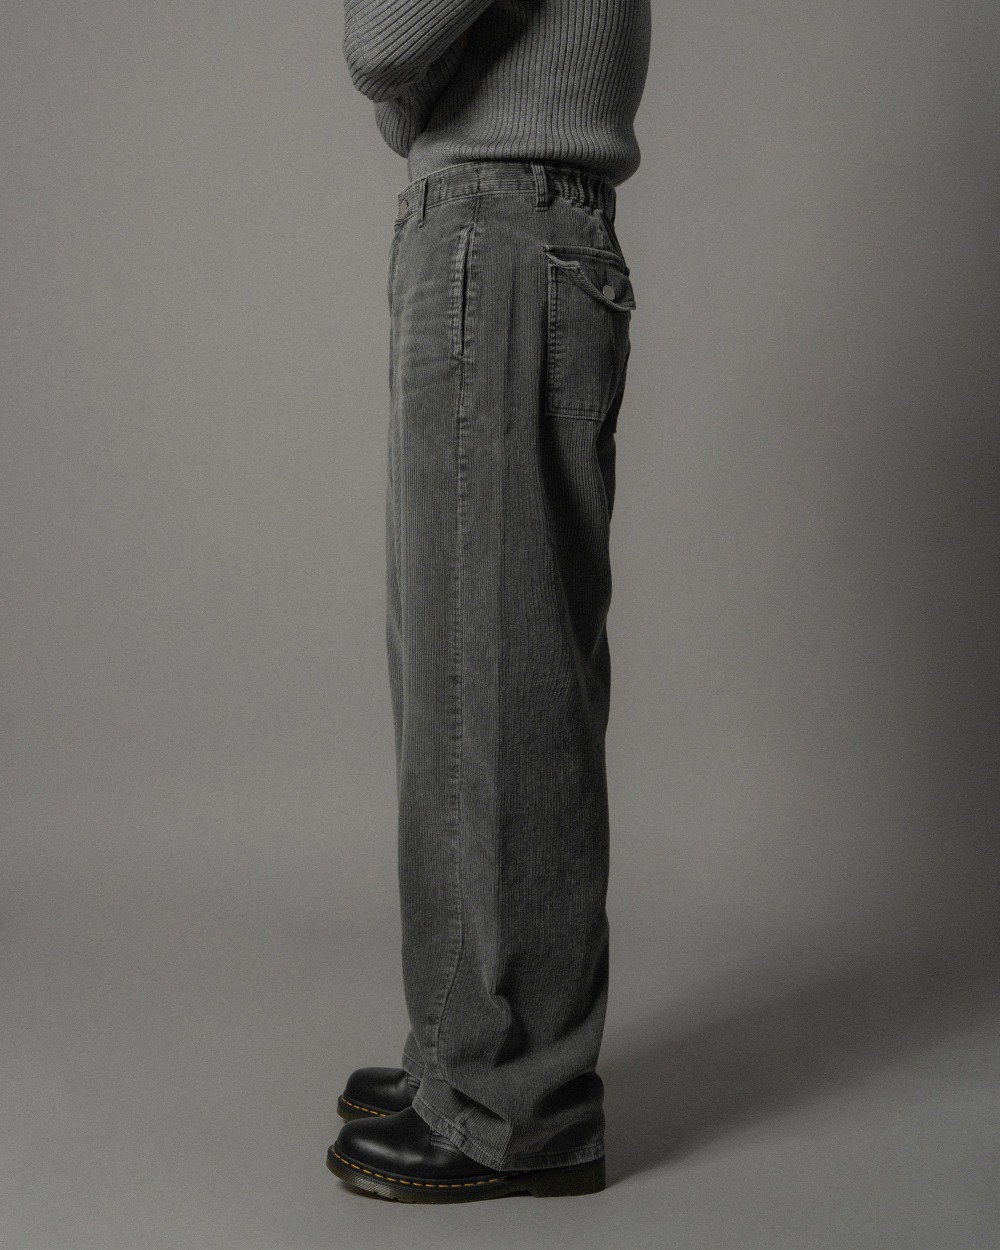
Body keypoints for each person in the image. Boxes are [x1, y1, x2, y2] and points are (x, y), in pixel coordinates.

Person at [327, 0, 651, 1203]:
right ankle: (458, 1050)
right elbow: (402, 89)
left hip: (502, 231)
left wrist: (413, 74)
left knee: (500, 679)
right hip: (493, 226)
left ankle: (517, 1103)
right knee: (459, 673)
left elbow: (381, 46)